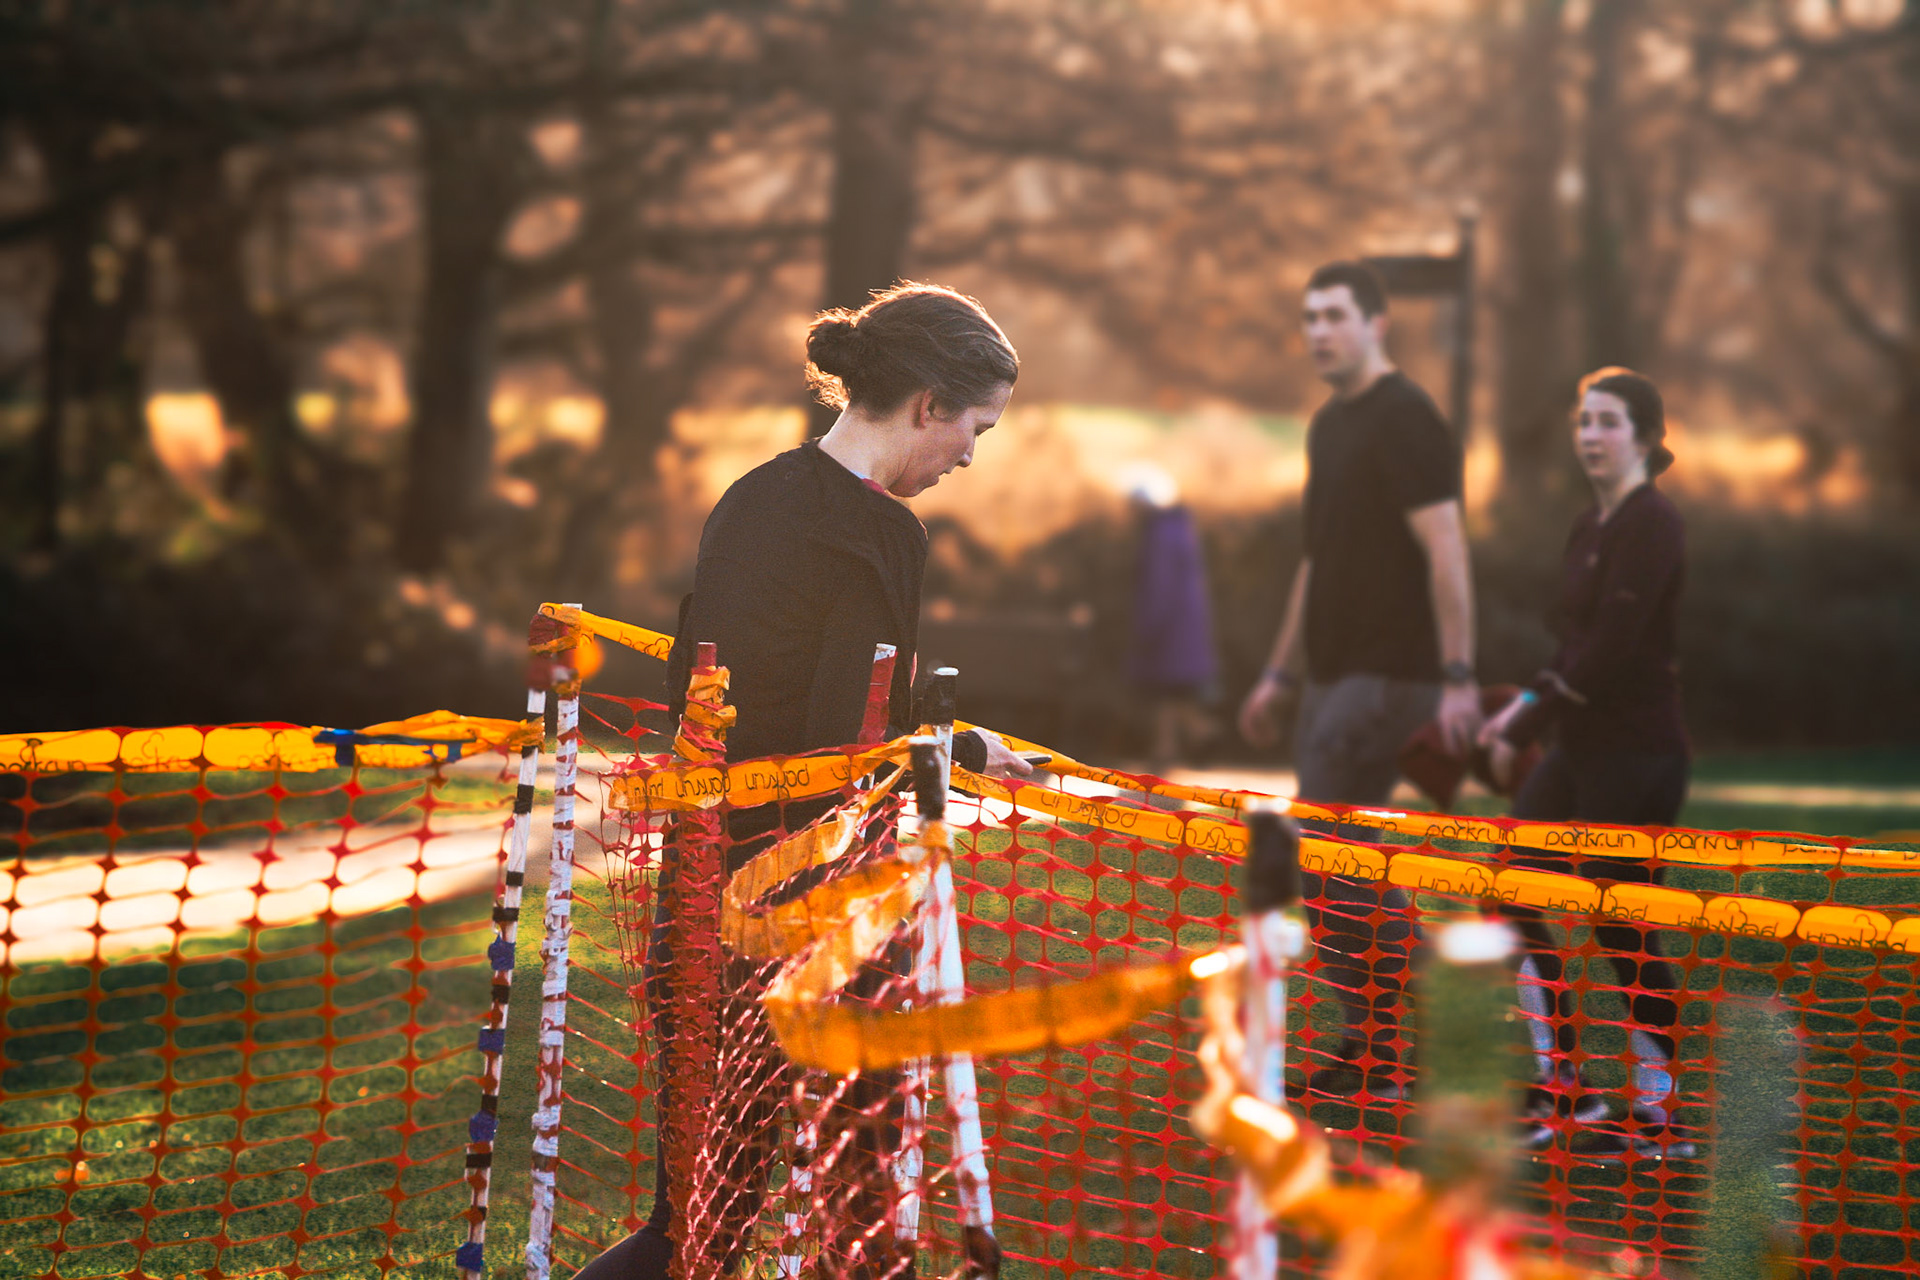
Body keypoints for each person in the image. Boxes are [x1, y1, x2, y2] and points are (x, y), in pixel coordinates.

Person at [577, 283, 1032, 1280]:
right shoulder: (884, 534)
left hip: (698, 888)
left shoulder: (748, 497)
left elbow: (745, 691)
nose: (967, 456)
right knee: (862, 1221)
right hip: (806, 906)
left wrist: (953, 743)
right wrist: (944, 757)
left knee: (691, 1222)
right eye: (974, 427)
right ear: (925, 404)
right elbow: (845, 741)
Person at [1237, 261, 1480, 1097]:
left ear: (1378, 323)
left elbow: (1446, 549)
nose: (1318, 331)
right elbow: (1318, 562)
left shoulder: (1407, 418)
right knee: (1340, 863)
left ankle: (1434, 1024)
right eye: (1308, 317)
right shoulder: (1329, 426)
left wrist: (1456, 677)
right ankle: (1392, 1042)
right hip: (1332, 678)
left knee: (1332, 859)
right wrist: (1277, 672)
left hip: (1390, 677)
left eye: (1335, 314)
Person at [1477, 367, 1692, 1159]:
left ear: (1644, 436)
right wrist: (1523, 708)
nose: (1590, 435)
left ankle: (1661, 1112)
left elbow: (1607, 652)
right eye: (1583, 422)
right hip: (1577, 748)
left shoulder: (1654, 522)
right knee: (1502, 883)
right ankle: (1565, 1088)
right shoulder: (1588, 526)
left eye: (1607, 421)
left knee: (1617, 918)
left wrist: (1526, 714)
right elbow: (1571, 643)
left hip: (1640, 753)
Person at [1121, 464, 1219, 774]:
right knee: (1173, 695)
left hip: (1170, 631)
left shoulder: (1159, 535)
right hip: (1183, 628)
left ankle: (1171, 748)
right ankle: (1178, 744)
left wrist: (1148, 628)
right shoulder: (1178, 528)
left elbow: (1159, 587)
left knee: (1164, 692)